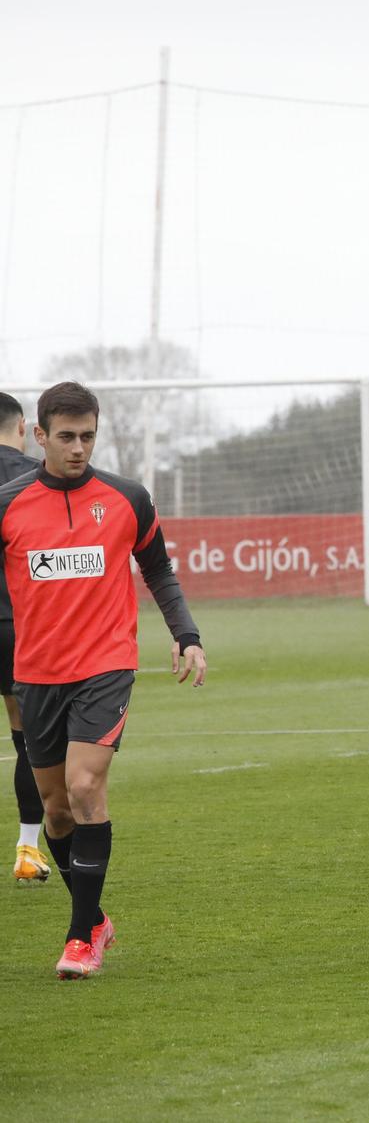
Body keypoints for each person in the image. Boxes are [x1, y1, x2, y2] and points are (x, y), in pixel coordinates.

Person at [0, 381, 207, 979]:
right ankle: (94, 918)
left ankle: (78, 940)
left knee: (86, 788)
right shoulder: (8, 503)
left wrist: (186, 634)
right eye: (65, 437)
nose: (78, 448)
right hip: (36, 673)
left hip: (105, 666)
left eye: (88, 436)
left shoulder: (126, 498)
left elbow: (159, 570)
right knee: (57, 810)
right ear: (39, 436)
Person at [0, 392, 50, 882]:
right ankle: (28, 849)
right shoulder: (35, 477)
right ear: (21, 429)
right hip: (18, 627)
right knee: (26, 737)